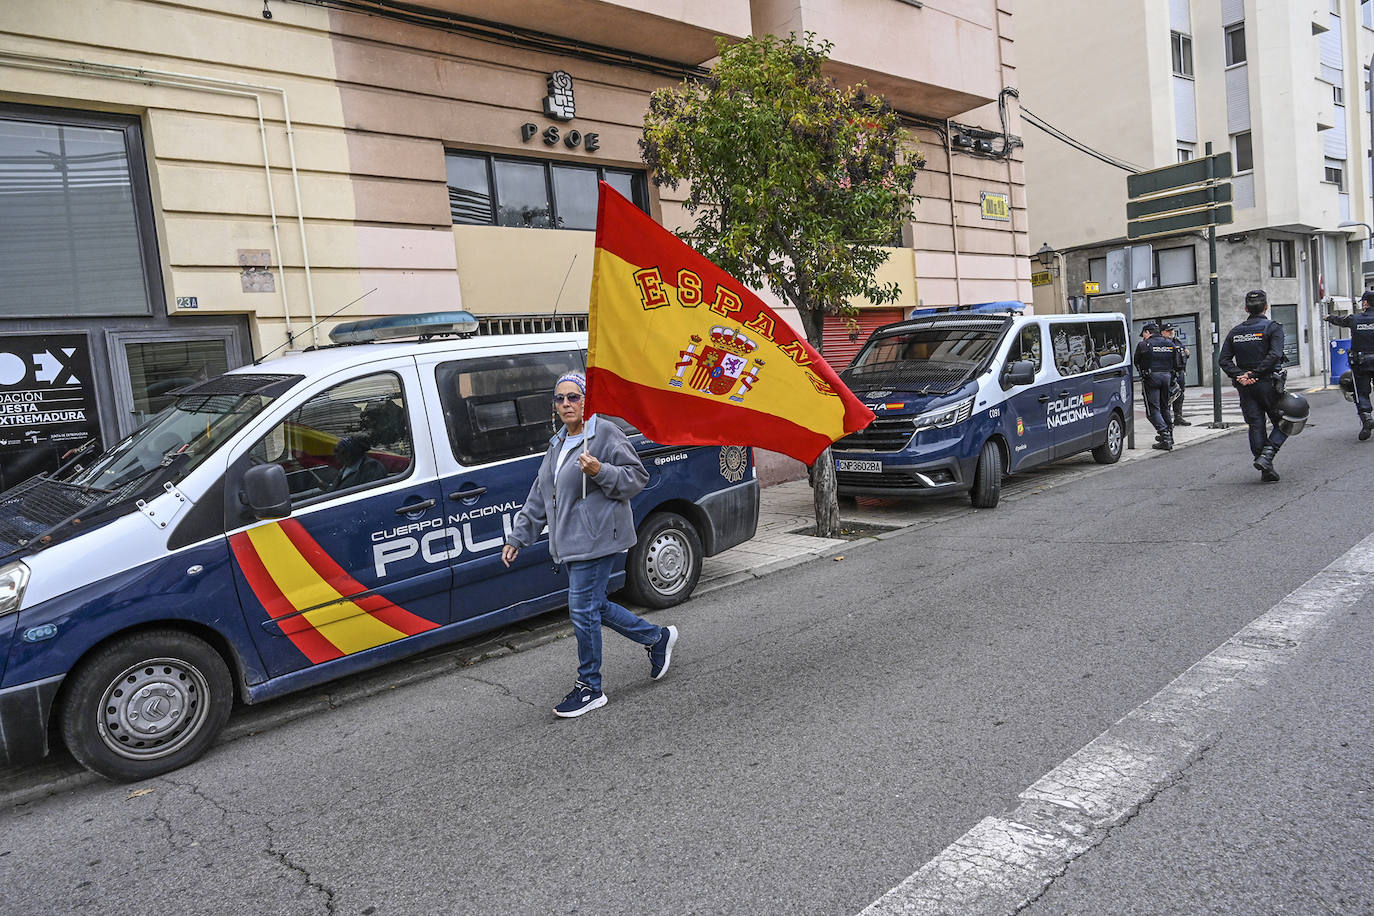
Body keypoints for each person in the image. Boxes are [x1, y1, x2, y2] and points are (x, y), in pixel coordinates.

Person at [502, 372, 678, 718]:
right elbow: (540, 496)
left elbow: (636, 479)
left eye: (574, 397)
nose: (566, 404)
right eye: (560, 399)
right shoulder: (558, 443)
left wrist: (600, 471)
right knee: (594, 606)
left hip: (599, 538)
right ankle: (657, 638)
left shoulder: (604, 434)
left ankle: (590, 687)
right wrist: (518, 537)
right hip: (570, 542)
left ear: (587, 400)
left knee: (581, 610)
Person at [1220, 289, 1288, 481]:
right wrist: (1256, 374)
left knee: (1256, 424)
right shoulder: (1273, 327)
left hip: (1245, 386)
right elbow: (1274, 354)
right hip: (1268, 383)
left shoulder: (1235, 331)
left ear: (1246, 308)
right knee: (1286, 421)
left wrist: (1241, 375)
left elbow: (1223, 360)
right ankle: (1267, 456)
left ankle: (1265, 466)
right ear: (1266, 307)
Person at [1324, 290, 1374, 441]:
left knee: (1361, 392)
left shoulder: (1355, 319)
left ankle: (1366, 418)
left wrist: (1328, 317)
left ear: (1365, 303)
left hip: (1361, 362)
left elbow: (1340, 320)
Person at [1134, 321, 1180, 450]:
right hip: (1167, 377)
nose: (1143, 336)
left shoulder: (1144, 344)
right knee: (1165, 407)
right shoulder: (1170, 343)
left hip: (1151, 379)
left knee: (1152, 410)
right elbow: (1177, 363)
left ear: (1147, 332)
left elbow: (1136, 361)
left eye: (1143, 333)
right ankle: (1170, 434)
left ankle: (1164, 435)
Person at [1161, 323, 1191, 426]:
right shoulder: (1162, 343)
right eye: (1168, 330)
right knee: (1168, 396)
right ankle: (1167, 419)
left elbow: (1183, 352)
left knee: (1180, 395)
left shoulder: (1176, 341)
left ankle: (1178, 417)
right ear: (1162, 332)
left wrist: (1186, 352)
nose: (1171, 332)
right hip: (1168, 373)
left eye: (1172, 330)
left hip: (1179, 372)